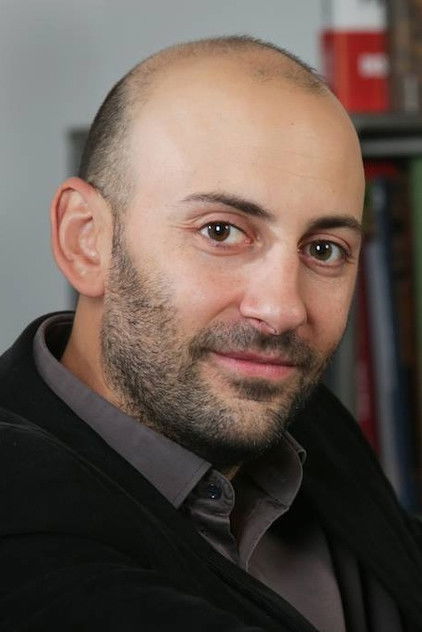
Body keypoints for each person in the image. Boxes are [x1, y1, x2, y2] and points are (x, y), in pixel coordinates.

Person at [0, 35, 420, 632]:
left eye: (325, 249)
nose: (282, 311)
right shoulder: (18, 513)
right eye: (221, 232)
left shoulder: (305, 424)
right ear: (85, 240)